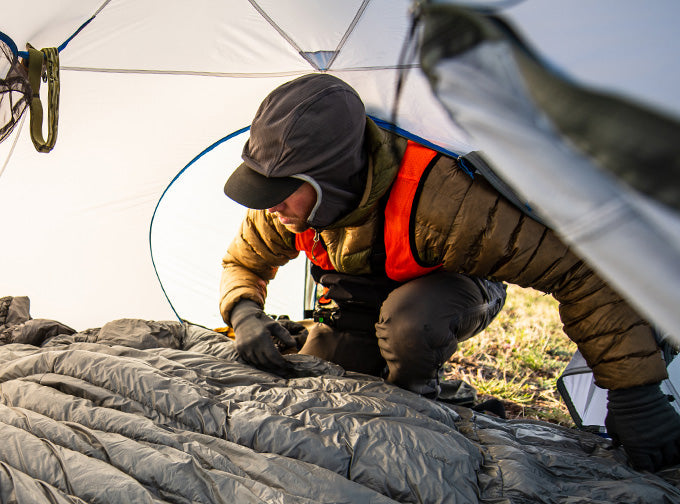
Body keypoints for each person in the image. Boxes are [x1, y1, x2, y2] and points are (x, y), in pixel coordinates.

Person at [219, 73, 680, 472]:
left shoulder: (446, 201)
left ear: (334, 176)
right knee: (329, 370)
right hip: (361, 299)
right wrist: (243, 313)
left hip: (452, 290)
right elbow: (243, 261)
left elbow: (580, 271)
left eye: (283, 190)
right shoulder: (282, 209)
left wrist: (634, 393)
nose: (270, 204)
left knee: (408, 325)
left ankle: (417, 399)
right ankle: (373, 359)